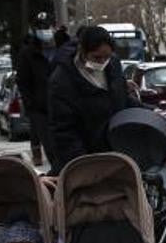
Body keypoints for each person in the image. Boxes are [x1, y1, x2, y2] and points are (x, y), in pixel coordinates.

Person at [47, 26, 137, 173]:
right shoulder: (62, 80)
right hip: (84, 159)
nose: (102, 62)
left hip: (116, 154)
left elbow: (122, 100)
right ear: (82, 51)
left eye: (106, 57)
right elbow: (63, 132)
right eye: (96, 57)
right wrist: (86, 166)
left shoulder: (113, 65)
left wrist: (150, 112)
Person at [16, 24, 56, 168]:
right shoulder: (28, 54)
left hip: (60, 106)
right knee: (50, 146)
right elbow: (23, 81)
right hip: (40, 108)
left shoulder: (59, 49)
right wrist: (31, 105)